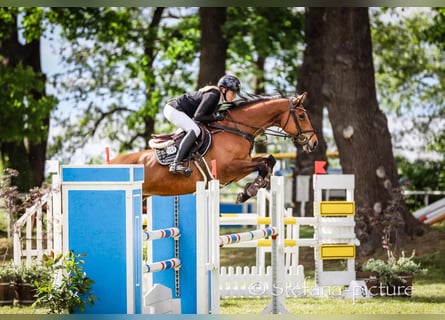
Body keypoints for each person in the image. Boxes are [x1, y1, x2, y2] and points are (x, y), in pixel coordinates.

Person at [164, 74, 241, 176]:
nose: (234, 96)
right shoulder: (214, 95)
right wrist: (217, 117)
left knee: (196, 129)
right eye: (233, 92)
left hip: (179, 111)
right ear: (223, 90)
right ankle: (176, 163)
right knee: (195, 130)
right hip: (174, 109)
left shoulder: (218, 99)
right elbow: (198, 116)